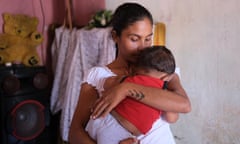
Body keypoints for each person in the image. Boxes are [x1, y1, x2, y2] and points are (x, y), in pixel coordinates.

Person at [69, 2, 191, 144]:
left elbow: (184, 105)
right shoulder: (98, 76)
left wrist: (125, 88)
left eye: (148, 39)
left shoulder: (162, 70)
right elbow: (75, 133)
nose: (142, 47)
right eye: (134, 39)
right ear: (115, 36)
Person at [85, 45, 179, 144]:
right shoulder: (163, 95)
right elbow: (171, 117)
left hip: (103, 119)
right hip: (120, 131)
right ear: (166, 78)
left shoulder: (129, 80)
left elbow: (107, 82)